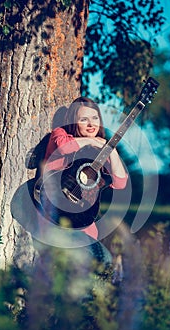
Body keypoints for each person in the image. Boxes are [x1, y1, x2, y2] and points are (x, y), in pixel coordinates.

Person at [35, 97, 128, 240]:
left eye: (95, 118)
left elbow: (120, 183)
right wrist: (92, 140)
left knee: (101, 258)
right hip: (54, 212)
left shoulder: (100, 150)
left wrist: (112, 150)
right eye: (84, 119)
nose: (91, 124)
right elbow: (64, 147)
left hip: (82, 221)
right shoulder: (60, 134)